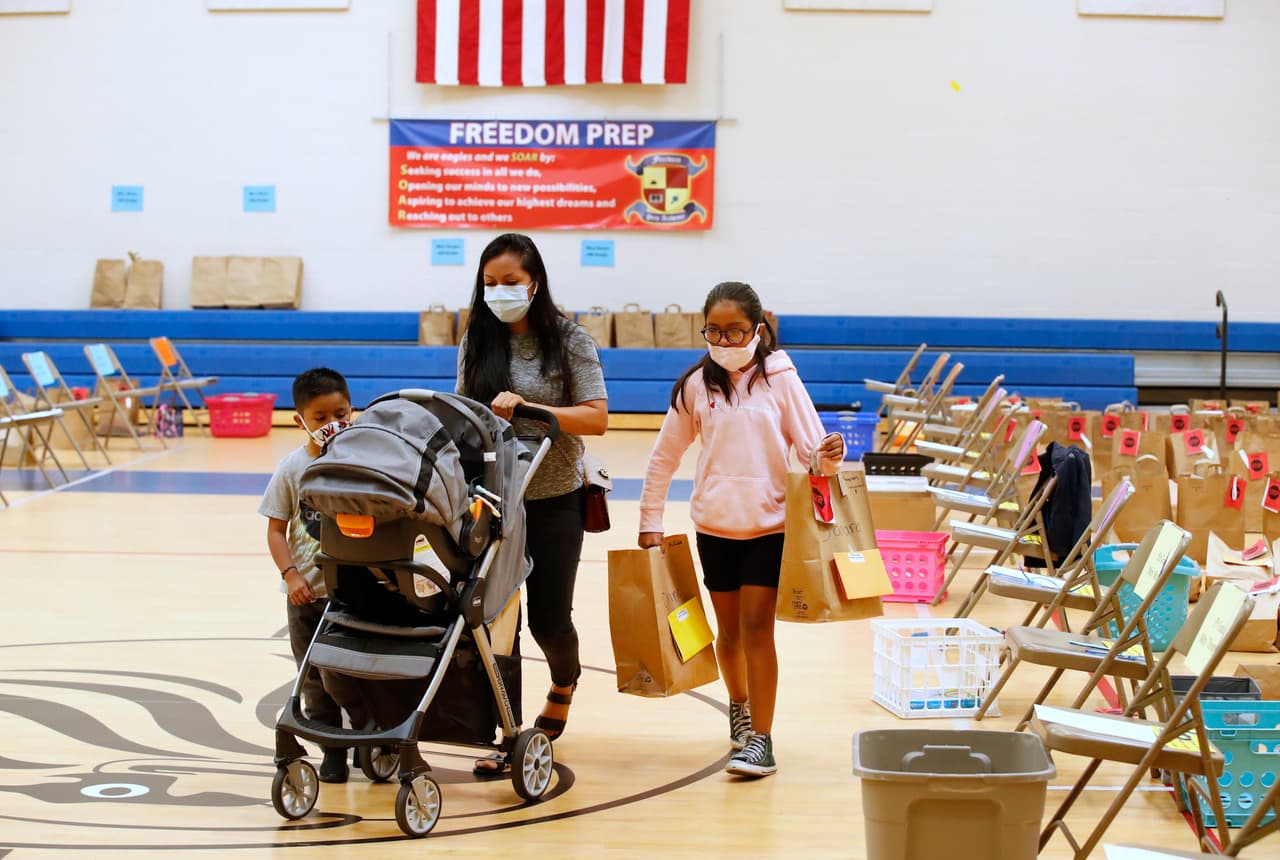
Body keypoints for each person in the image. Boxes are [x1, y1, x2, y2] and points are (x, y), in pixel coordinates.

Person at [638, 282, 844, 779]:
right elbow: (665, 457)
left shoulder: (781, 379)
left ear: (758, 330)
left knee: (756, 629)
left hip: (769, 526)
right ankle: (740, 706)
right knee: (726, 632)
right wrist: (650, 519)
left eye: (737, 331)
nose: (726, 341)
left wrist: (827, 458)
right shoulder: (696, 386)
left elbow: (812, 451)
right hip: (713, 526)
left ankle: (763, 740)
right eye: (716, 331)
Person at [456, 233, 608, 773]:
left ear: (534, 283)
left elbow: (597, 417)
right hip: (494, 497)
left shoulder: (570, 340)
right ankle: (508, 731)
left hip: (554, 496)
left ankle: (565, 679)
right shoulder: (477, 338)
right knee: (494, 621)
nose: (499, 292)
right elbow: (465, 414)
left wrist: (531, 408)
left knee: (548, 620)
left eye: (510, 283)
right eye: (490, 284)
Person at [259, 367, 370, 783]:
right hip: (306, 597)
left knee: (346, 676)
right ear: (300, 420)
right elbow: (274, 529)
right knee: (312, 681)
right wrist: (291, 576)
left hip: (354, 594)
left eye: (340, 413)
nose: (332, 425)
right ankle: (332, 750)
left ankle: (367, 734)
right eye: (320, 417)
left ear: (352, 410)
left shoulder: (363, 462)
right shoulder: (291, 468)